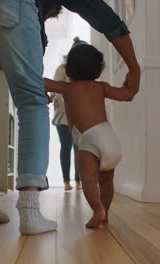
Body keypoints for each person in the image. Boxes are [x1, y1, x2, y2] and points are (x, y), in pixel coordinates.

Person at [0, 0, 140, 235]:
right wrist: (134, 67)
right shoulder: (99, 86)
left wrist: (25, 75)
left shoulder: (68, 86)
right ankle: (30, 212)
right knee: (31, 99)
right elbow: (100, 13)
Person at [44, 44, 139, 228]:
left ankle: (97, 210)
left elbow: (40, 81)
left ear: (68, 70)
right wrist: (130, 83)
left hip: (88, 139)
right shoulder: (101, 87)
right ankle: (105, 212)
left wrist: (43, 92)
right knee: (106, 180)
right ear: (97, 71)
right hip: (109, 137)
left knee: (89, 180)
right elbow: (127, 95)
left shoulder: (67, 88)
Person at [50, 37, 87, 191]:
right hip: (63, 116)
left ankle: (79, 181)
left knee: (79, 147)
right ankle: (66, 181)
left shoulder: (87, 71)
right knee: (66, 146)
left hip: (80, 116)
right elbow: (53, 91)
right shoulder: (62, 68)